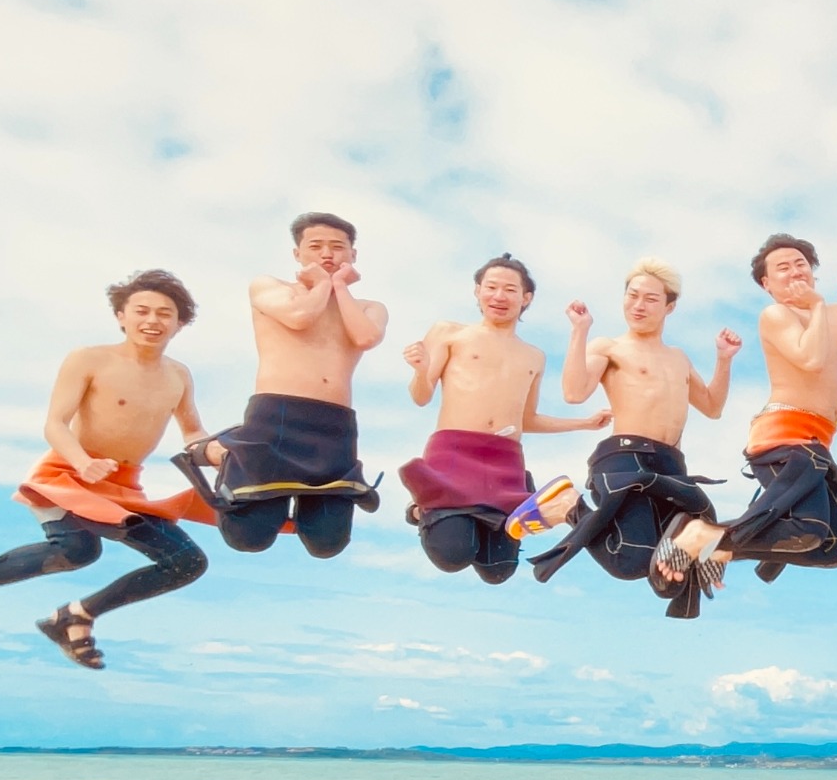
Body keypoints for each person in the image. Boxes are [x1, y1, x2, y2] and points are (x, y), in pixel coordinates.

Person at [0, 270, 215, 670]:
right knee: (76, 549)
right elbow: (54, 424)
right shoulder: (89, 359)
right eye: (141, 311)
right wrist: (84, 462)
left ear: (179, 323)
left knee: (186, 562)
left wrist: (216, 451)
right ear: (121, 315)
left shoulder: (179, 375)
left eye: (164, 314)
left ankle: (75, 616)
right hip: (68, 474)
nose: (152, 321)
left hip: (122, 487)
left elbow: (192, 430)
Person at [653, 234, 837, 592]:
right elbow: (811, 358)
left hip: (817, 440)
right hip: (785, 435)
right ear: (767, 283)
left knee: (834, 548)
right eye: (783, 268)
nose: (794, 272)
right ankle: (696, 532)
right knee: (808, 528)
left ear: (812, 271)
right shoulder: (776, 314)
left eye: (800, 264)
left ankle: (716, 549)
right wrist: (818, 306)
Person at [526, 259, 740, 615]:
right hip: (627, 459)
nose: (638, 305)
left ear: (669, 307)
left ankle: (691, 531)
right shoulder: (609, 347)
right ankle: (568, 507)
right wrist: (579, 331)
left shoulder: (678, 357)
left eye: (651, 299)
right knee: (630, 563)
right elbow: (574, 392)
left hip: (673, 465)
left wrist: (724, 360)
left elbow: (713, 407)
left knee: (673, 575)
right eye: (632, 296)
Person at [180, 211, 387, 556]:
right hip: (276, 414)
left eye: (338, 247)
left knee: (327, 543)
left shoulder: (369, 306)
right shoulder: (269, 287)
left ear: (353, 255)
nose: (327, 255)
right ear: (297, 255)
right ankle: (221, 454)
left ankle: (301, 502)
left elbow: (365, 337)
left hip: (333, 424)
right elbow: (300, 317)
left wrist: (337, 286)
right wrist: (322, 283)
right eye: (316, 246)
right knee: (249, 538)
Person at [396, 254, 609, 584]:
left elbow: (528, 419)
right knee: (453, 556)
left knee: (498, 571)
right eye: (491, 287)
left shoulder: (534, 356)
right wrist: (421, 369)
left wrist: (582, 423)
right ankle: (423, 508)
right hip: (454, 450)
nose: (499, 296)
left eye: (510, 289)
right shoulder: (450, 333)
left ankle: (519, 503)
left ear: (526, 298)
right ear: (477, 291)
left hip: (505, 461)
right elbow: (421, 396)